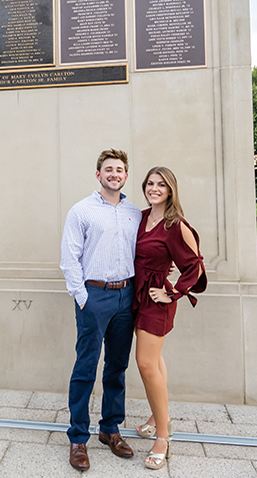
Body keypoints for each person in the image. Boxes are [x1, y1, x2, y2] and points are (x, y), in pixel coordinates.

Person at [60, 149, 142, 471]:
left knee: (117, 366)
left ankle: (110, 429)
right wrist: (83, 297)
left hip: (126, 296)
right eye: (109, 169)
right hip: (94, 296)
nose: (114, 174)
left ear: (125, 175)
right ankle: (78, 436)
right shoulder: (81, 211)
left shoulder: (135, 212)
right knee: (86, 367)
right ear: (99, 175)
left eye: (120, 170)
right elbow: (70, 259)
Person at [133, 166, 207, 470]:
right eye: (150, 183)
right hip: (136, 296)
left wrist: (173, 292)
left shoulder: (176, 225)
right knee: (155, 360)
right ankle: (158, 416)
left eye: (161, 185)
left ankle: (162, 437)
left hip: (156, 302)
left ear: (170, 190)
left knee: (146, 363)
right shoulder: (140, 217)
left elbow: (196, 266)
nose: (154, 188)